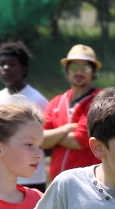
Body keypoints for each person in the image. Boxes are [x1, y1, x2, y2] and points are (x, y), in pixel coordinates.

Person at [0, 42, 50, 192]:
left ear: (23, 69)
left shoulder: (37, 100)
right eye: (2, 64)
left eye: (12, 64)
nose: (6, 68)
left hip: (30, 179)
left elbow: (46, 141)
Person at [42, 44, 102, 184]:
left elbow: (78, 141)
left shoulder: (99, 100)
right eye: (74, 67)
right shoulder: (56, 102)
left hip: (87, 184)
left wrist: (53, 136)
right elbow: (41, 140)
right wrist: (66, 129)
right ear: (67, 70)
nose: (79, 72)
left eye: (85, 67)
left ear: (93, 72)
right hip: (57, 184)